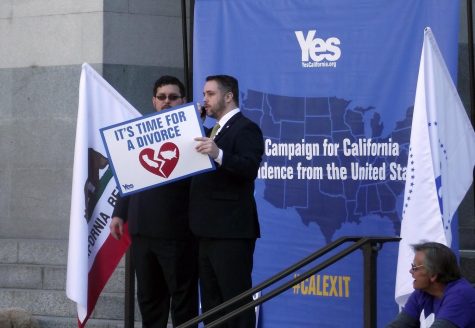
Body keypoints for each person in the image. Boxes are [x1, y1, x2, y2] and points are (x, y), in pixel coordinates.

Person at [110, 76, 198, 328]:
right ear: (154, 100)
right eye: (162, 97)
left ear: (183, 100)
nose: (167, 102)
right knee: (149, 301)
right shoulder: (138, 132)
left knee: (183, 302)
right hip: (142, 231)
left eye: (173, 97)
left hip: (179, 233)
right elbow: (126, 176)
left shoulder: (194, 133)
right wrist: (119, 213)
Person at [190, 75, 264, 327]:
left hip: (231, 231)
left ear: (228, 96)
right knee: (212, 303)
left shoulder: (246, 128)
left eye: (210, 94)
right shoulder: (213, 129)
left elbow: (249, 167)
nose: (205, 100)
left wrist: (218, 153)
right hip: (206, 230)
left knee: (234, 301)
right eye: (204, 94)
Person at [386, 242, 475, 328]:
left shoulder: (460, 296)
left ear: (433, 274)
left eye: (415, 268)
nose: (411, 271)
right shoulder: (422, 292)